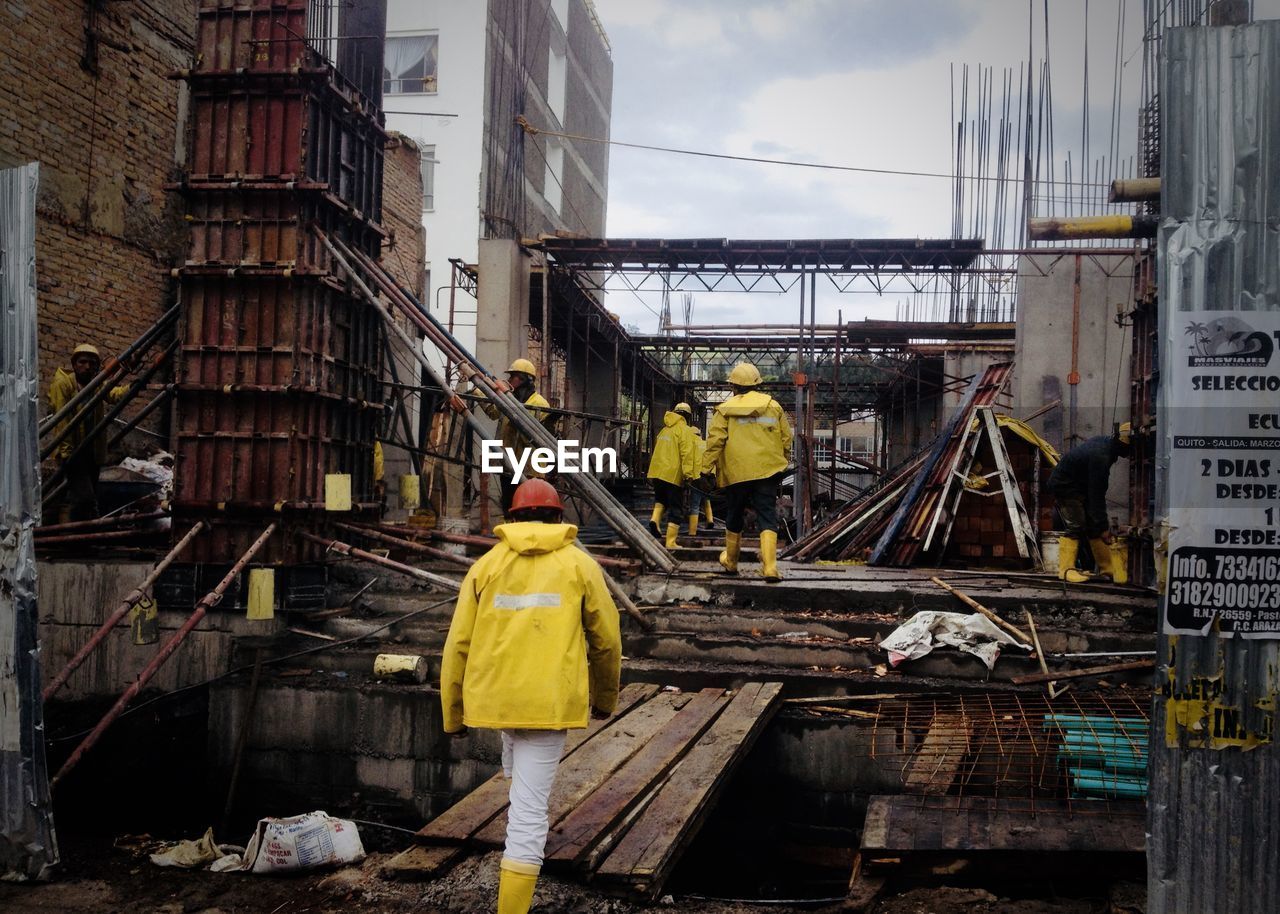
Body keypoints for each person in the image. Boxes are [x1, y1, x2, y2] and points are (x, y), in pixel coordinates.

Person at [440, 479, 621, 914]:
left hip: (499, 698)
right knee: (529, 815)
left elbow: (457, 644)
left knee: (516, 757)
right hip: (548, 702)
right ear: (560, 517)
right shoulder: (579, 566)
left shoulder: (486, 566)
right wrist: (604, 698)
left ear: (513, 517)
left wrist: (454, 715)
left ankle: (512, 771)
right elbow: (607, 641)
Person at [700, 362, 792, 582]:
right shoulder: (774, 407)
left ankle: (731, 562)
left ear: (733, 385)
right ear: (757, 383)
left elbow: (715, 442)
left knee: (734, 514)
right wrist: (782, 461)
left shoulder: (724, 410)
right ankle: (770, 567)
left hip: (736, 471)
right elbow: (786, 439)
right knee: (767, 515)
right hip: (766, 471)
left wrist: (705, 469)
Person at [465, 358, 559, 518]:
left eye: (512, 377)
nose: (508, 381)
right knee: (509, 505)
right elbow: (492, 412)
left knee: (528, 508)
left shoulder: (539, 404)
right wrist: (478, 388)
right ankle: (511, 534)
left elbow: (536, 434)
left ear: (524, 380)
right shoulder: (507, 399)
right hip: (508, 464)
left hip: (530, 469)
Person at [46, 343, 127, 521]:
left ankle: (80, 535)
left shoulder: (96, 384)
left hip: (92, 450)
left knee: (85, 497)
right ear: (74, 364)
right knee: (85, 498)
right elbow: (63, 420)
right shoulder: (64, 384)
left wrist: (132, 386)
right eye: (83, 362)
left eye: (92, 363)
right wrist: (67, 453)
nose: (88, 366)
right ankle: (79, 535)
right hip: (73, 451)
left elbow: (113, 394)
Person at [1048, 422, 1131, 584]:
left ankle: (1108, 569)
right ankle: (1065, 571)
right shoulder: (1101, 456)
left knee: (1093, 527)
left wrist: (1099, 526)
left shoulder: (1107, 445)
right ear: (1123, 445)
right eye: (1129, 449)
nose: (1129, 454)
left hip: (1078, 486)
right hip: (1066, 487)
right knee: (1076, 526)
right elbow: (1096, 495)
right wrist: (1104, 526)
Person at [645, 401, 697, 549]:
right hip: (673, 475)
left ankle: (655, 520)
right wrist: (688, 475)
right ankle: (671, 542)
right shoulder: (684, 430)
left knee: (661, 500)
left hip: (657, 473)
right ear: (687, 416)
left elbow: (657, 452)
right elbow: (686, 454)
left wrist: (651, 473)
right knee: (676, 508)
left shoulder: (664, 430)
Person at [685, 417, 715, 537]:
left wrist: (687, 476)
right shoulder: (706, 444)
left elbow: (689, 461)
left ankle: (692, 532)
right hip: (707, 477)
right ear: (699, 433)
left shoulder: (691, 446)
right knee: (706, 498)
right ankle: (710, 520)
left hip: (696, 478)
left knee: (695, 504)